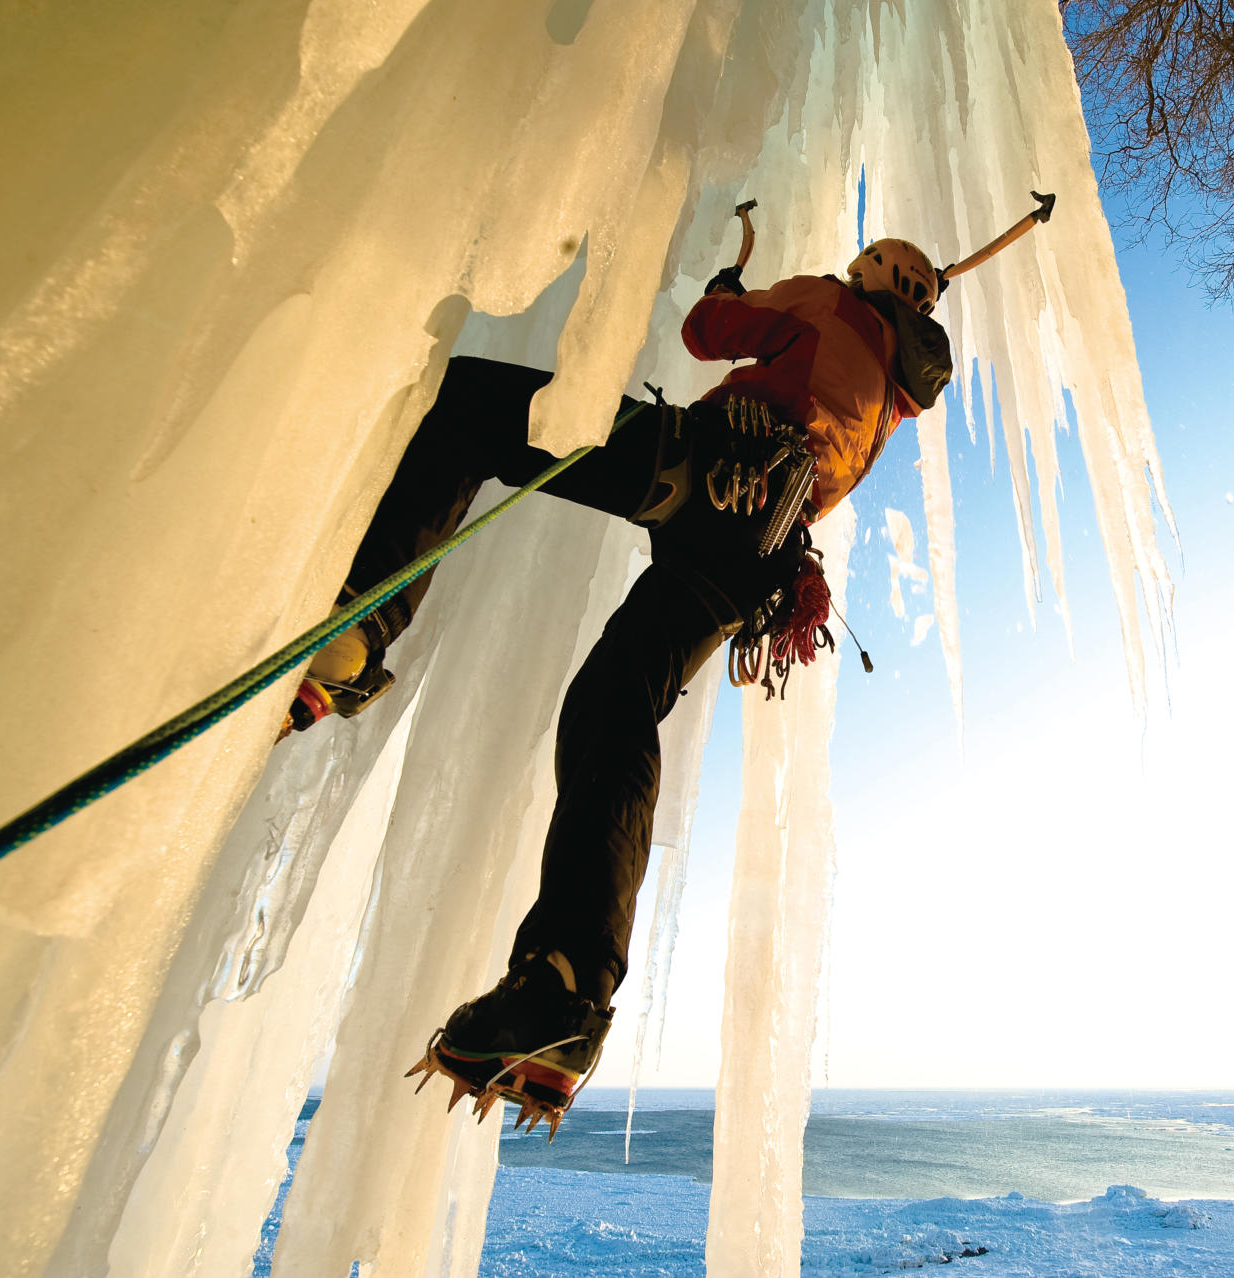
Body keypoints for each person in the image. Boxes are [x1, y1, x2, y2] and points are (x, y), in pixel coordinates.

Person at [303, 237, 953, 1132]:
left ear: (870, 275)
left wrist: (726, 287)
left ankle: (358, 628)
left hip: (706, 470)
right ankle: (564, 991)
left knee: (476, 409)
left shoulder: (829, 303)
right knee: (615, 703)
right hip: (757, 551)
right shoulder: (893, 399)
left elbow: (707, 332)